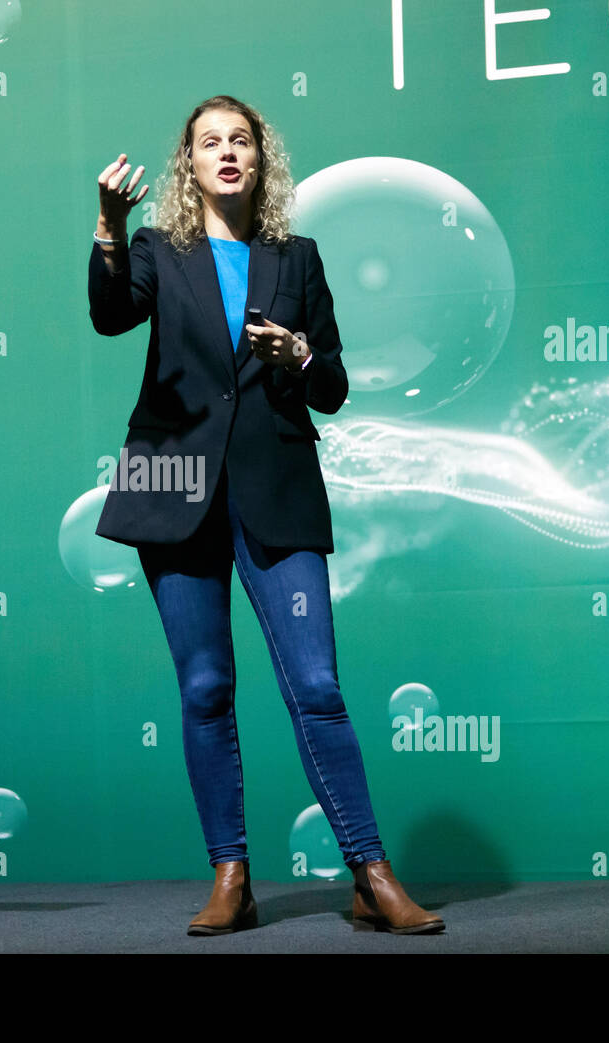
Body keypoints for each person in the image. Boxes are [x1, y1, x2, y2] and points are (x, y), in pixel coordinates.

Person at [87, 95, 443, 936]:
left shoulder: (299, 257)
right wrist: (107, 225)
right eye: (210, 142)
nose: (228, 153)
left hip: (277, 492)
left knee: (317, 686)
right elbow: (110, 315)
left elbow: (334, 390)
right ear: (190, 165)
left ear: (260, 158)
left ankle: (371, 872)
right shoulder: (154, 251)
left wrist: (303, 354)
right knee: (206, 690)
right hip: (175, 490)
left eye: (241, 140)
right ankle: (232, 876)